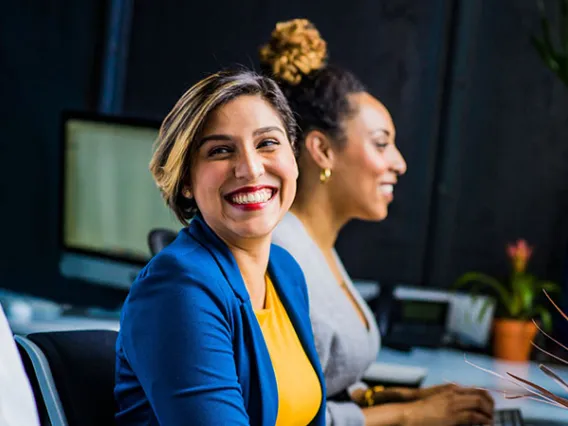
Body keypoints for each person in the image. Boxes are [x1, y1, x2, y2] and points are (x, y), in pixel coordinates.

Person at [263, 19, 495, 426]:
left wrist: (399, 395)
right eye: (381, 144)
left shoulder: (318, 247)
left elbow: (323, 379)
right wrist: (410, 414)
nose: (399, 163)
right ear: (321, 150)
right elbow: (286, 414)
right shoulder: (282, 256)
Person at [114, 69, 326, 426]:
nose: (250, 168)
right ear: (185, 181)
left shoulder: (285, 271)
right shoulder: (178, 287)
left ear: (292, 154)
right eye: (221, 151)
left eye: (267, 143)